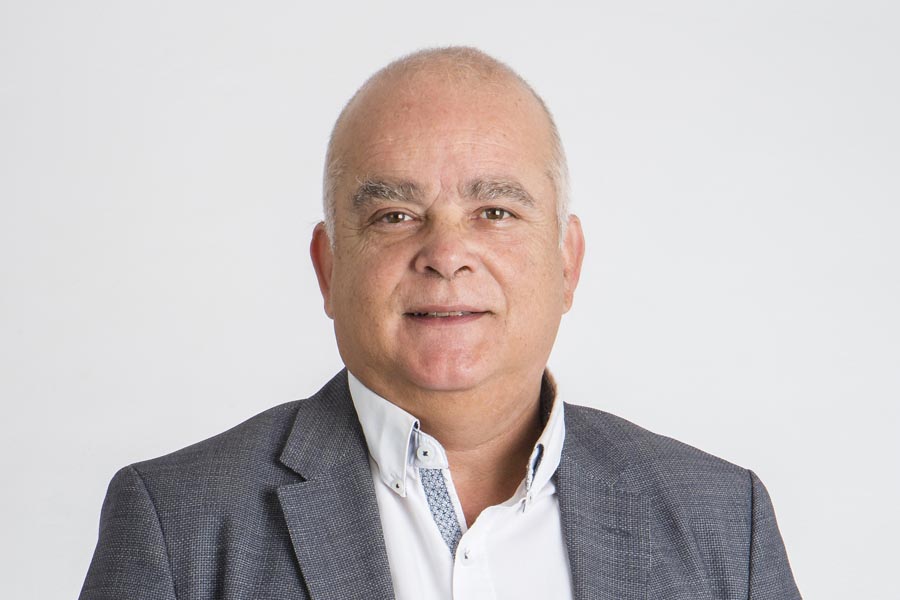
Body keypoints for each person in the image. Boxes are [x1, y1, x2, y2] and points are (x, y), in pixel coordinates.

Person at [80, 47, 801, 600]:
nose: (447, 254)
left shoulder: (721, 522)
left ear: (567, 262)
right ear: (328, 268)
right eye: (395, 216)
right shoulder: (178, 527)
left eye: (496, 212)